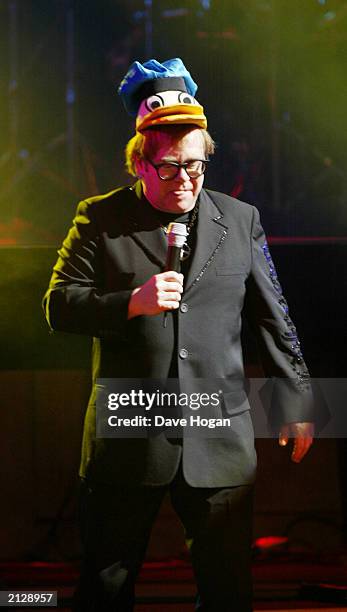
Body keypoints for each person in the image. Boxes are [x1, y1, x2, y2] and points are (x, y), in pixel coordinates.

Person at [43, 59, 316, 612]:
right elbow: (57, 307)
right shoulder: (99, 218)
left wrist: (296, 399)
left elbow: (273, 316)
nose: (187, 180)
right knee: (106, 584)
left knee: (227, 588)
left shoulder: (241, 220)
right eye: (169, 168)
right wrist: (130, 304)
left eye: (196, 165)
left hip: (218, 431)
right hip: (129, 430)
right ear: (138, 165)